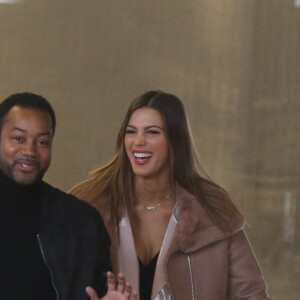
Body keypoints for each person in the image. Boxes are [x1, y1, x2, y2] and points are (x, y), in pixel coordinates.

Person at [70, 90, 272, 300]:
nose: (138, 141)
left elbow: (252, 295)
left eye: (152, 132)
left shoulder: (212, 212)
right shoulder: (87, 207)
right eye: (131, 131)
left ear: (175, 140)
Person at [0, 92, 137, 300]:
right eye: (18, 138)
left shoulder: (82, 222)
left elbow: (100, 292)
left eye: (43, 142)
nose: (30, 151)